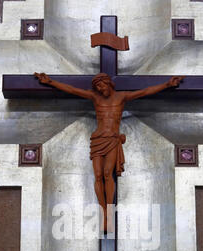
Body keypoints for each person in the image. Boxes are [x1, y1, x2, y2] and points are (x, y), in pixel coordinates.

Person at [35, 72, 184, 231]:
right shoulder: (95, 98)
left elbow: (144, 92)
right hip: (98, 139)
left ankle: (109, 212)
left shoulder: (122, 97)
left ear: (109, 84)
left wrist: (167, 85)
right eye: (97, 87)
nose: (99, 89)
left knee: (107, 173)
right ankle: (103, 211)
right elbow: (72, 90)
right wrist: (50, 82)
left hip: (112, 139)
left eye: (101, 85)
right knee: (98, 175)